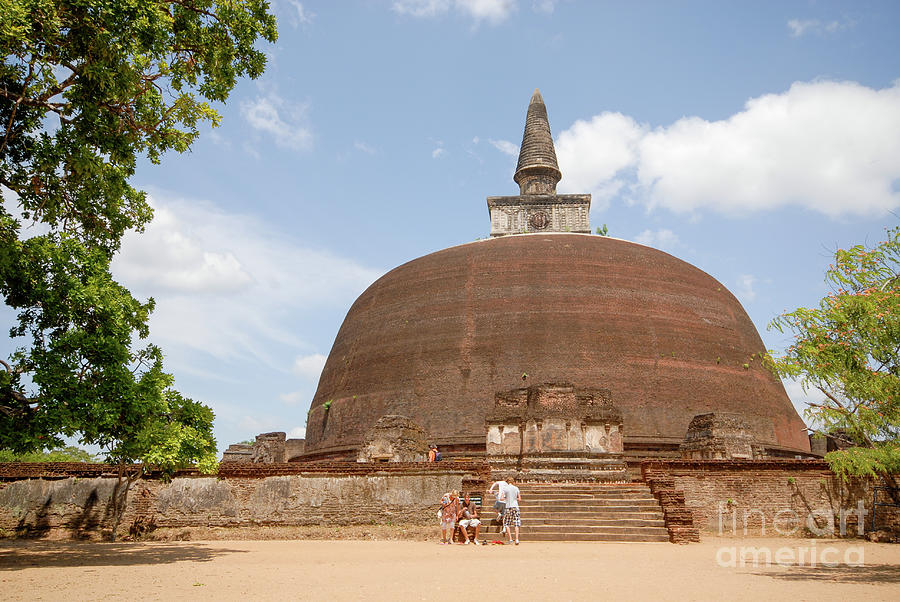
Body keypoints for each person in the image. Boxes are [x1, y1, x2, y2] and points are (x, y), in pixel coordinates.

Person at [502, 476, 521, 545]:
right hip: (515, 506)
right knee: (516, 523)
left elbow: (501, 498)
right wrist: (514, 498)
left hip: (508, 506)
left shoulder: (505, 489)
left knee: (507, 523)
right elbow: (519, 499)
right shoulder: (516, 488)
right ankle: (516, 539)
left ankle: (510, 539)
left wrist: (506, 498)